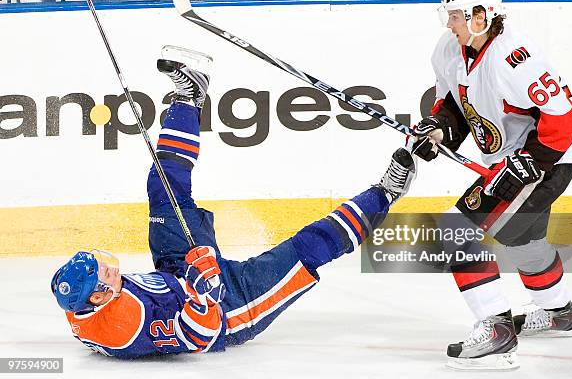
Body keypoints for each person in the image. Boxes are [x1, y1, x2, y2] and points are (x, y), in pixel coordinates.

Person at [50, 46, 417, 358]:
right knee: (308, 248)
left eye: (104, 265)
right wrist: (202, 294)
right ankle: (385, 193)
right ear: (100, 297)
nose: (112, 268)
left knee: (162, 188)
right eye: (106, 274)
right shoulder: (123, 325)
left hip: (177, 271)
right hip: (231, 308)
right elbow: (198, 338)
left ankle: (189, 97)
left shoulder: (82, 301)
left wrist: (189, 276)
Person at [410, 0, 572, 370]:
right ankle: (559, 313)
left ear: (481, 16)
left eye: (455, 15)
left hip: (548, 160)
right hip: (510, 162)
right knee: (524, 240)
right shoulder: (449, 50)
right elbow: (451, 106)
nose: (448, 23)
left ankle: (497, 332)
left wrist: (527, 164)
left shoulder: (515, 56)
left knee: (456, 230)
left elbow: (564, 121)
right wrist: (438, 130)